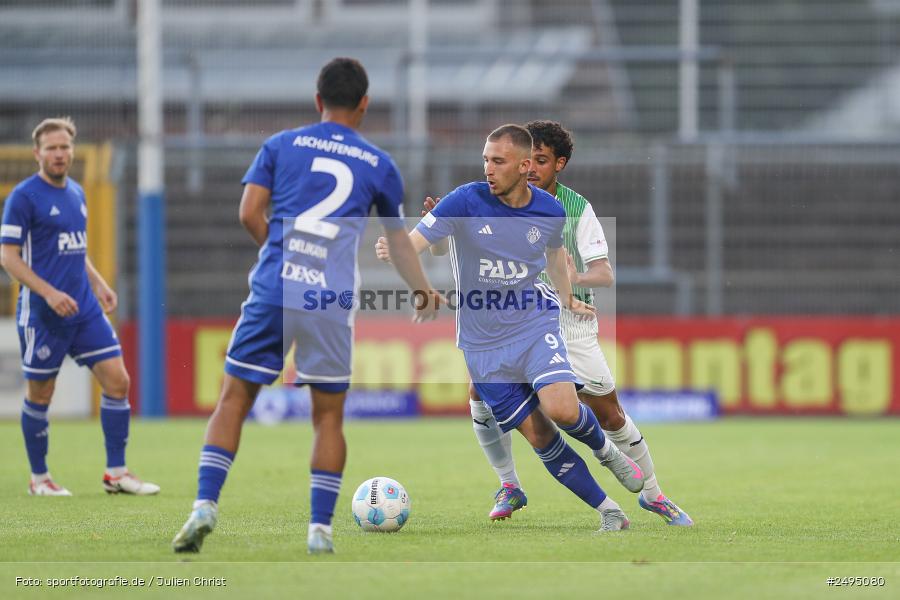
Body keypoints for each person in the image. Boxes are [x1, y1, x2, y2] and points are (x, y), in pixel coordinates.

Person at [172, 58, 440, 555]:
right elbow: (399, 241)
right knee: (328, 417)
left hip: (276, 287)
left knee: (234, 399)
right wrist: (422, 289)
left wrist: (278, 257)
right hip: (330, 298)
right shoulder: (379, 164)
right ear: (364, 104)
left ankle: (204, 505)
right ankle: (320, 530)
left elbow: (249, 212)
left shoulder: (280, 145)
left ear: (318, 101)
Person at [377, 124, 644, 531]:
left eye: (498, 161)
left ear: (522, 166)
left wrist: (568, 296)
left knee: (563, 409)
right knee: (541, 437)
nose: (488, 168)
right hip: (483, 346)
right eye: (485, 159)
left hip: (534, 325)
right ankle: (609, 510)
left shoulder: (551, 210)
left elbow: (555, 258)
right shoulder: (466, 200)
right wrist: (398, 254)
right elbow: (414, 243)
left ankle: (607, 452)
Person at [467, 120, 692, 526]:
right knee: (479, 391)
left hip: (571, 323)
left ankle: (654, 494)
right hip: (517, 322)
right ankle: (510, 484)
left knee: (609, 415)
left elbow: (604, 274)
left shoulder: (575, 209)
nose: (531, 167)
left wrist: (571, 280)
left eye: (541, 160)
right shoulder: (493, 200)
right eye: (526, 159)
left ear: (560, 164)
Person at [1, 117, 158, 497]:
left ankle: (116, 473)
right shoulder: (23, 197)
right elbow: (9, 257)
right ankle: (39, 479)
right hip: (43, 313)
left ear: (72, 151)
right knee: (41, 394)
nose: (59, 154)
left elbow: (74, 248)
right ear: (38, 153)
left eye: (65, 147)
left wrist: (99, 283)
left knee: (118, 381)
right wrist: (49, 293)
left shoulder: (77, 193)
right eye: (51, 148)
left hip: (85, 309)